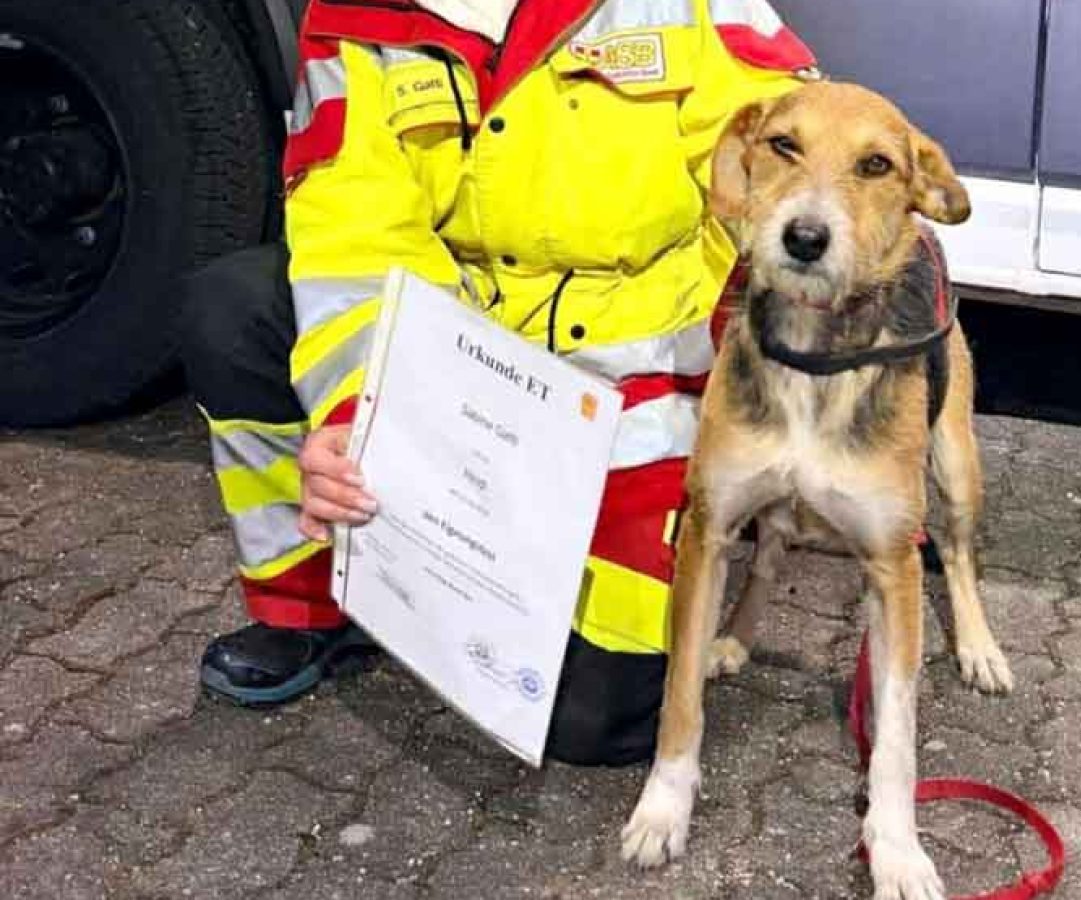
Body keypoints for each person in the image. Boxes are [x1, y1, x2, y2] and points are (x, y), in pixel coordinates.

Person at [182, 0, 817, 766]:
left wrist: (856, 273)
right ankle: (313, 603)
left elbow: (795, 155)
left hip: (637, 386)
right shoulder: (352, 13)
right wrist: (363, 409)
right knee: (235, 306)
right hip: (451, 361)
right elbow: (353, 227)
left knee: (596, 726)